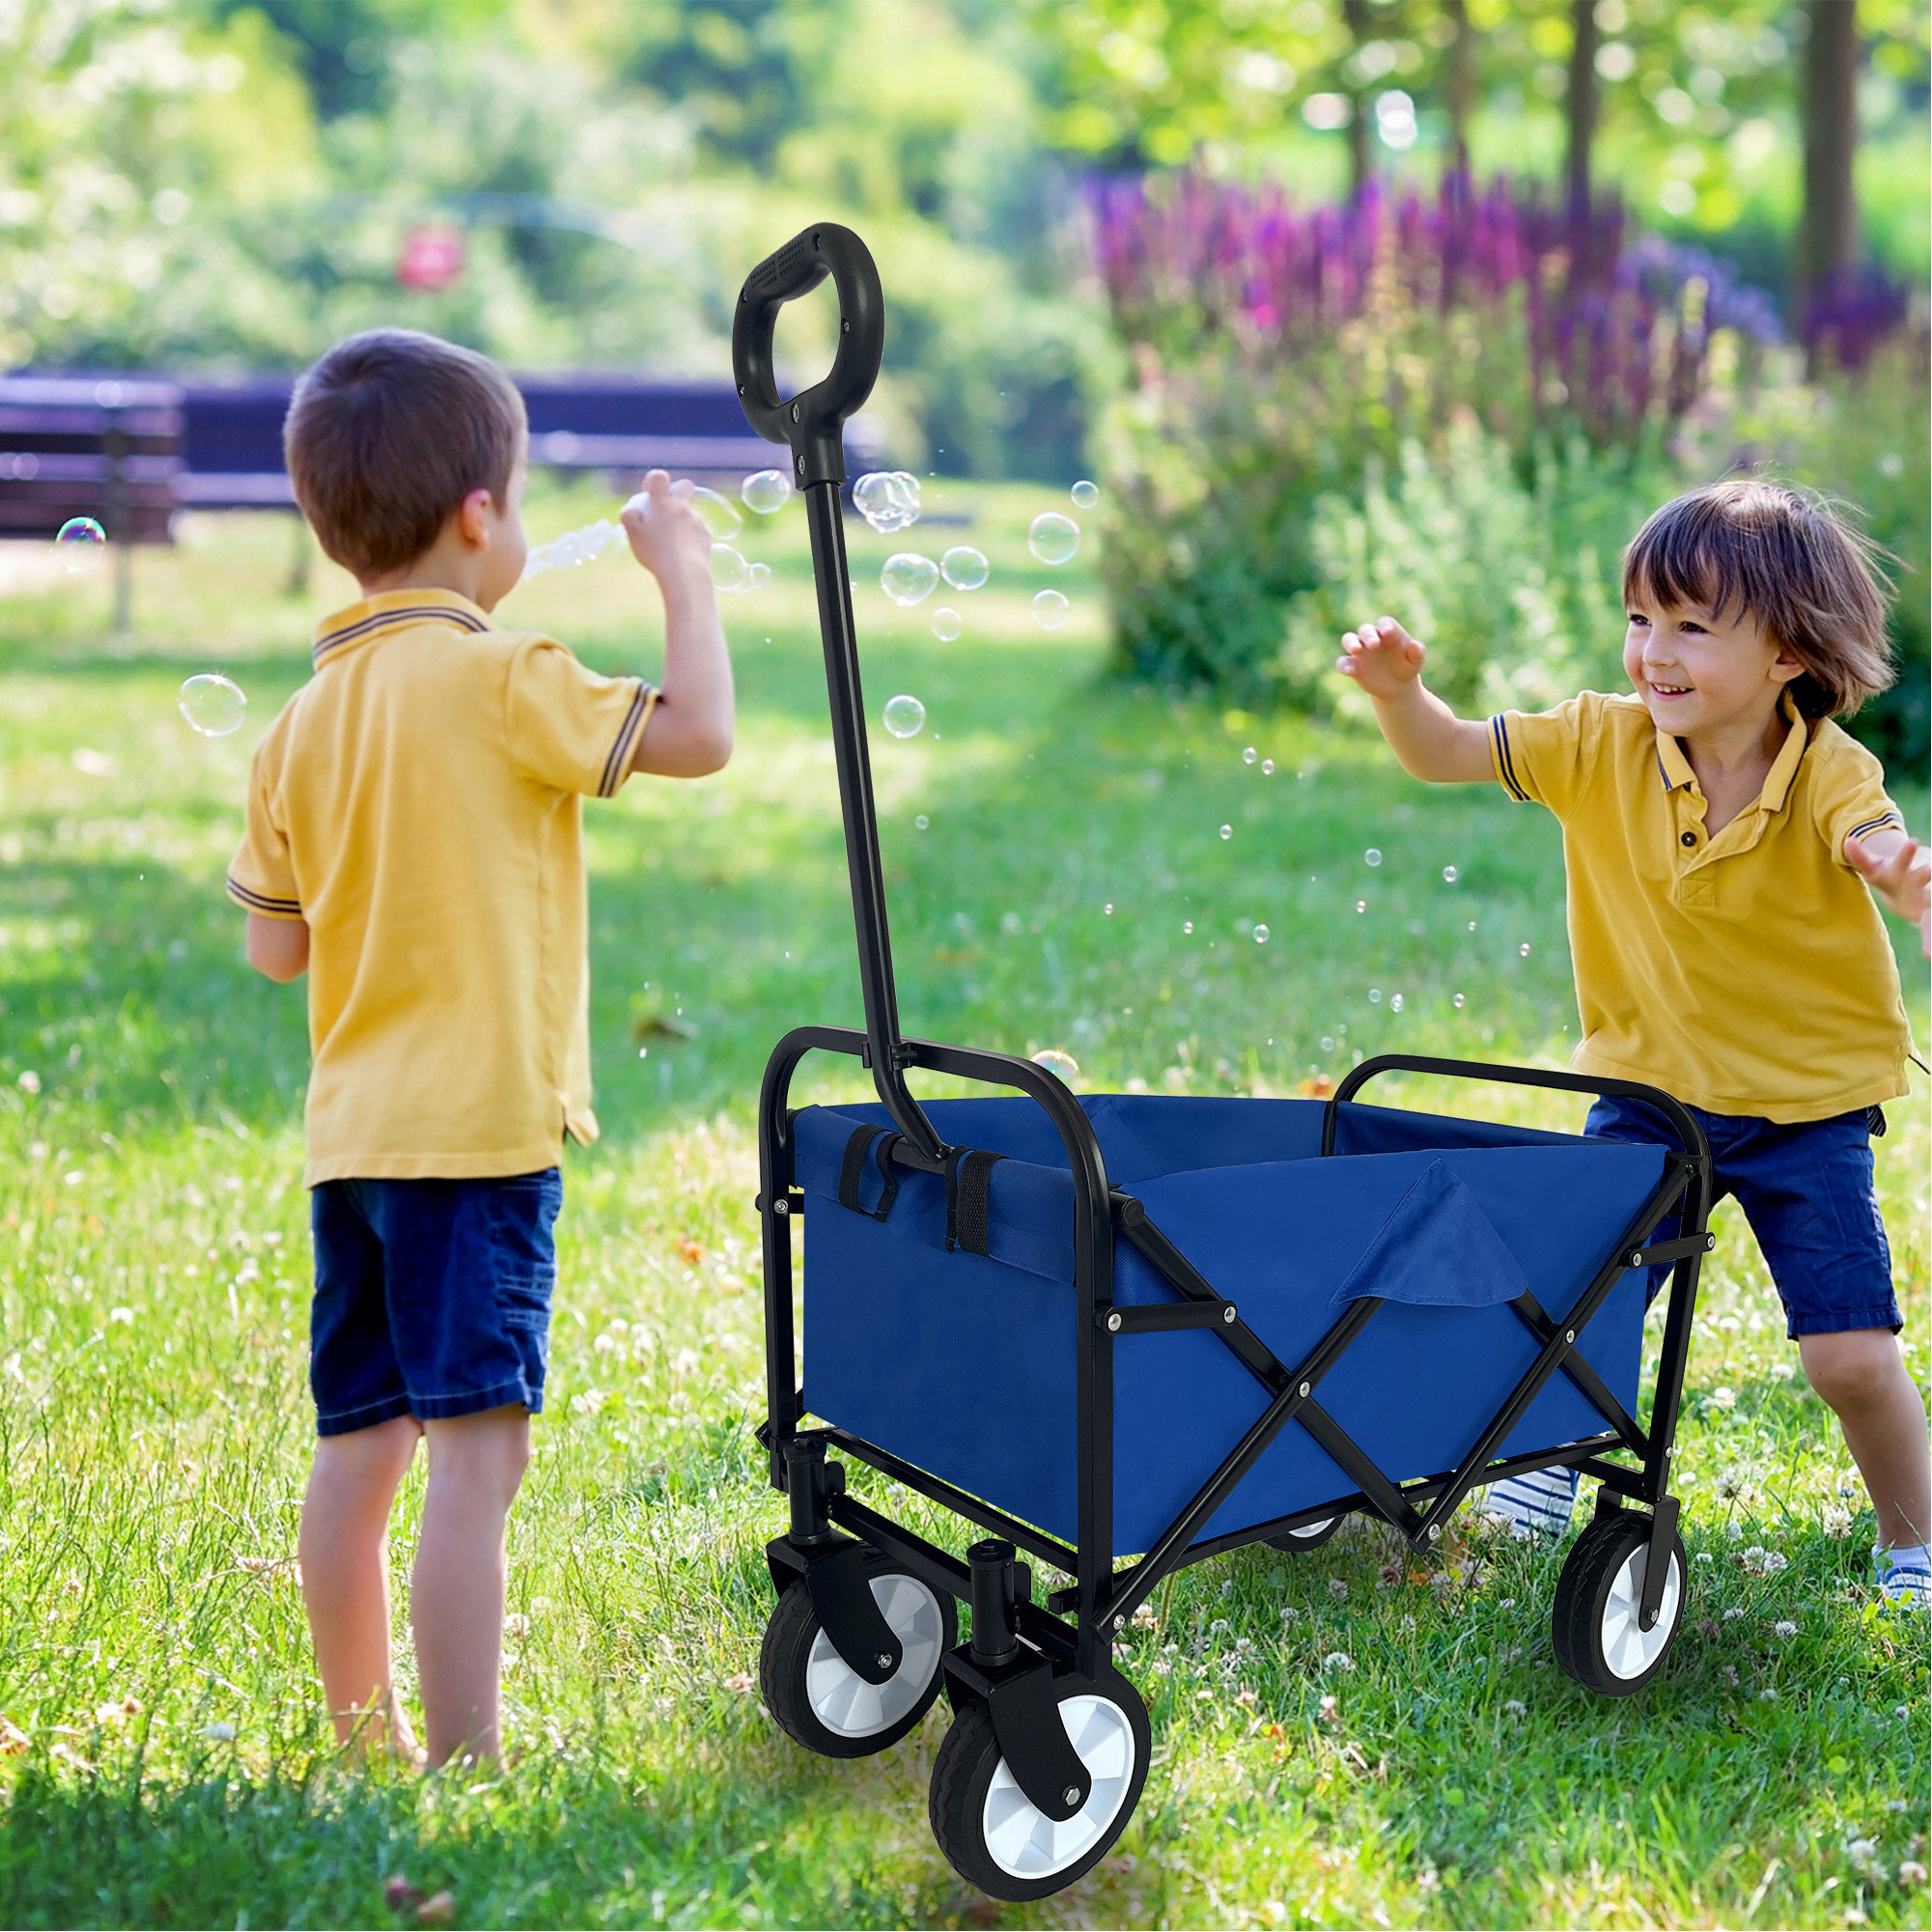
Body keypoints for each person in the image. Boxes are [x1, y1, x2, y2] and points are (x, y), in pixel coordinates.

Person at [229, 328, 734, 1765]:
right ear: (481, 517)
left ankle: (360, 1737)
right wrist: (679, 570)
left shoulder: (299, 721)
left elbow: (276, 946)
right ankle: (463, 1764)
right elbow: (697, 733)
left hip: (355, 1147)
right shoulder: (510, 674)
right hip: (479, 1138)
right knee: (477, 1459)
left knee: (361, 1450)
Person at [1336, 477, 1930, 1608]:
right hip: (1650, 1098)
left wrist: (1907, 879)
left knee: (1848, 1358)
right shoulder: (1595, 740)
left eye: (1694, 627)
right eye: (1641, 618)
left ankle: (1917, 1544)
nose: (1653, 651)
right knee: (1580, 1306)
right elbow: (1447, 751)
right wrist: (1400, 696)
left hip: (1805, 1111)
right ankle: (1547, 1477)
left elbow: (1874, 842)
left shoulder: (1828, 770)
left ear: (1789, 656)